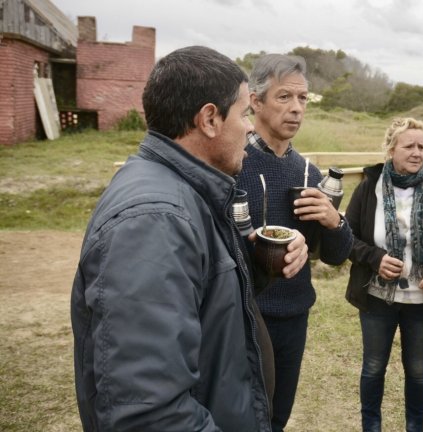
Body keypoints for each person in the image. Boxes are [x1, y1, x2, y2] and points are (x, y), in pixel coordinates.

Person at [71, 46, 308, 431]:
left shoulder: (185, 190)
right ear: (210, 119)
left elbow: (201, 293)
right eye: (244, 113)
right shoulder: (154, 221)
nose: (250, 128)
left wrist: (259, 264)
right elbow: (148, 413)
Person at [236, 53, 354, 432]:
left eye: (303, 99)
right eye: (284, 97)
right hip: (241, 315)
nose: (296, 109)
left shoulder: (309, 172)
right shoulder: (232, 164)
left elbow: (335, 257)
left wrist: (335, 222)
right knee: (240, 416)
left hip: (294, 317)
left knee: (277, 416)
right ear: (255, 101)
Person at [345, 118, 423, 432]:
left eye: (422, 146)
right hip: (377, 298)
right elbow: (346, 237)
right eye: (409, 146)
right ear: (391, 150)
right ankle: (370, 427)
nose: (417, 153)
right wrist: (375, 259)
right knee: (373, 369)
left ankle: (415, 428)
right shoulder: (368, 188)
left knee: (418, 372)